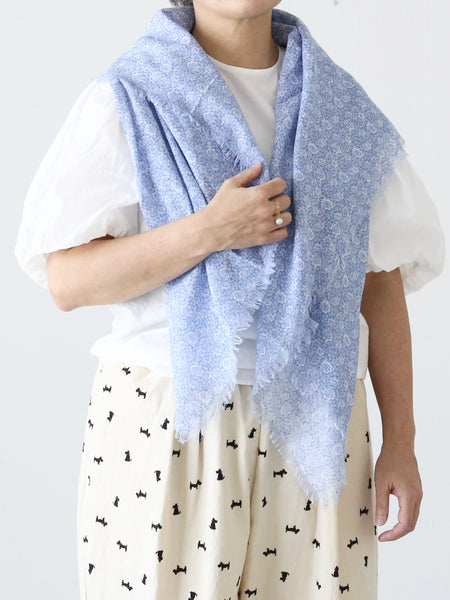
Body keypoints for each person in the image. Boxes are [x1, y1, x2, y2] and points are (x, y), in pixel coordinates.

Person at [14, 1, 445, 598]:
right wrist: (208, 231)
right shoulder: (131, 96)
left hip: (318, 420)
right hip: (170, 414)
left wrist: (401, 441)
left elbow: (378, 280)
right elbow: (67, 279)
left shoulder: (341, 110)